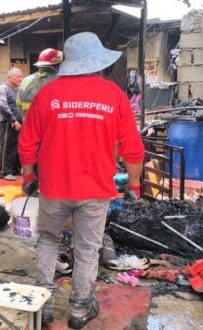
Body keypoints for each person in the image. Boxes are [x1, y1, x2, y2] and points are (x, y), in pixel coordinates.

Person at [18, 32, 144, 329]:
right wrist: (135, 185)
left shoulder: (47, 94)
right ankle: (79, 310)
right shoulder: (114, 95)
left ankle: (43, 305)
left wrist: (27, 176)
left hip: (54, 187)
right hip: (95, 190)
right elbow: (133, 149)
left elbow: (26, 143)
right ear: (97, 62)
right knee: (88, 248)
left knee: (48, 240)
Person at [16, 48, 64, 118]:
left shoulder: (26, 81)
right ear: (58, 65)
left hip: (29, 125)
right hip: (53, 125)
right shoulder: (60, 82)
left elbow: (19, 105)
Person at [0, 67, 24, 181]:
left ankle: (15, 170)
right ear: (9, 77)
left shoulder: (19, 90)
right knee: (8, 147)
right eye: (18, 76)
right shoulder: (3, 89)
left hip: (19, 123)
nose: (21, 79)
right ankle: (5, 172)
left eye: (21, 76)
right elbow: (3, 106)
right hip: (8, 123)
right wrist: (13, 120)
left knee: (17, 147)